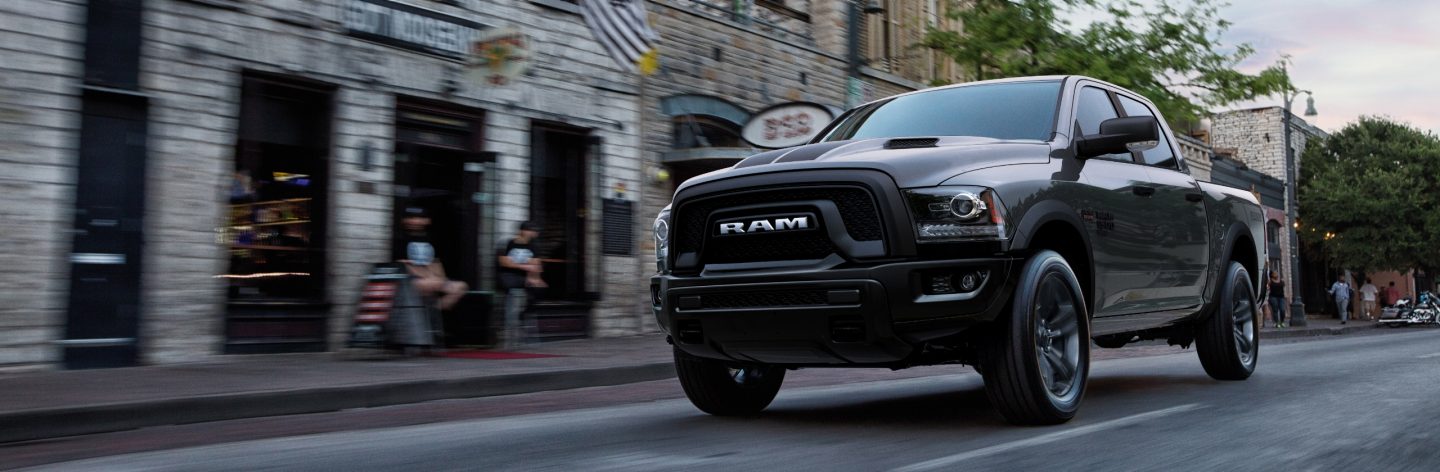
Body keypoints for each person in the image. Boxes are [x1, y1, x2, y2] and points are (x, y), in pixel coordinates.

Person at [399, 205, 468, 310]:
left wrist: (440, 278)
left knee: (460, 287)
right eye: (410, 218)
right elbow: (402, 265)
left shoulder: (430, 240)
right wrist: (429, 277)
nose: (414, 221)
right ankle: (428, 313)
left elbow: (435, 263)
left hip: (431, 280)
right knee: (431, 284)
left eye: (418, 218)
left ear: (427, 221)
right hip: (408, 282)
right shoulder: (400, 239)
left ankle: (432, 311)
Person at [498, 221, 546, 347]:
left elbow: (536, 265)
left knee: (539, 289)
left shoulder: (533, 246)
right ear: (522, 231)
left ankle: (523, 316)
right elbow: (504, 262)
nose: (533, 233)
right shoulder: (509, 243)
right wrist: (525, 267)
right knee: (510, 288)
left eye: (534, 231)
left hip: (523, 277)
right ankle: (509, 323)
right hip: (508, 275)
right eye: (530, 230)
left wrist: (535, 278)